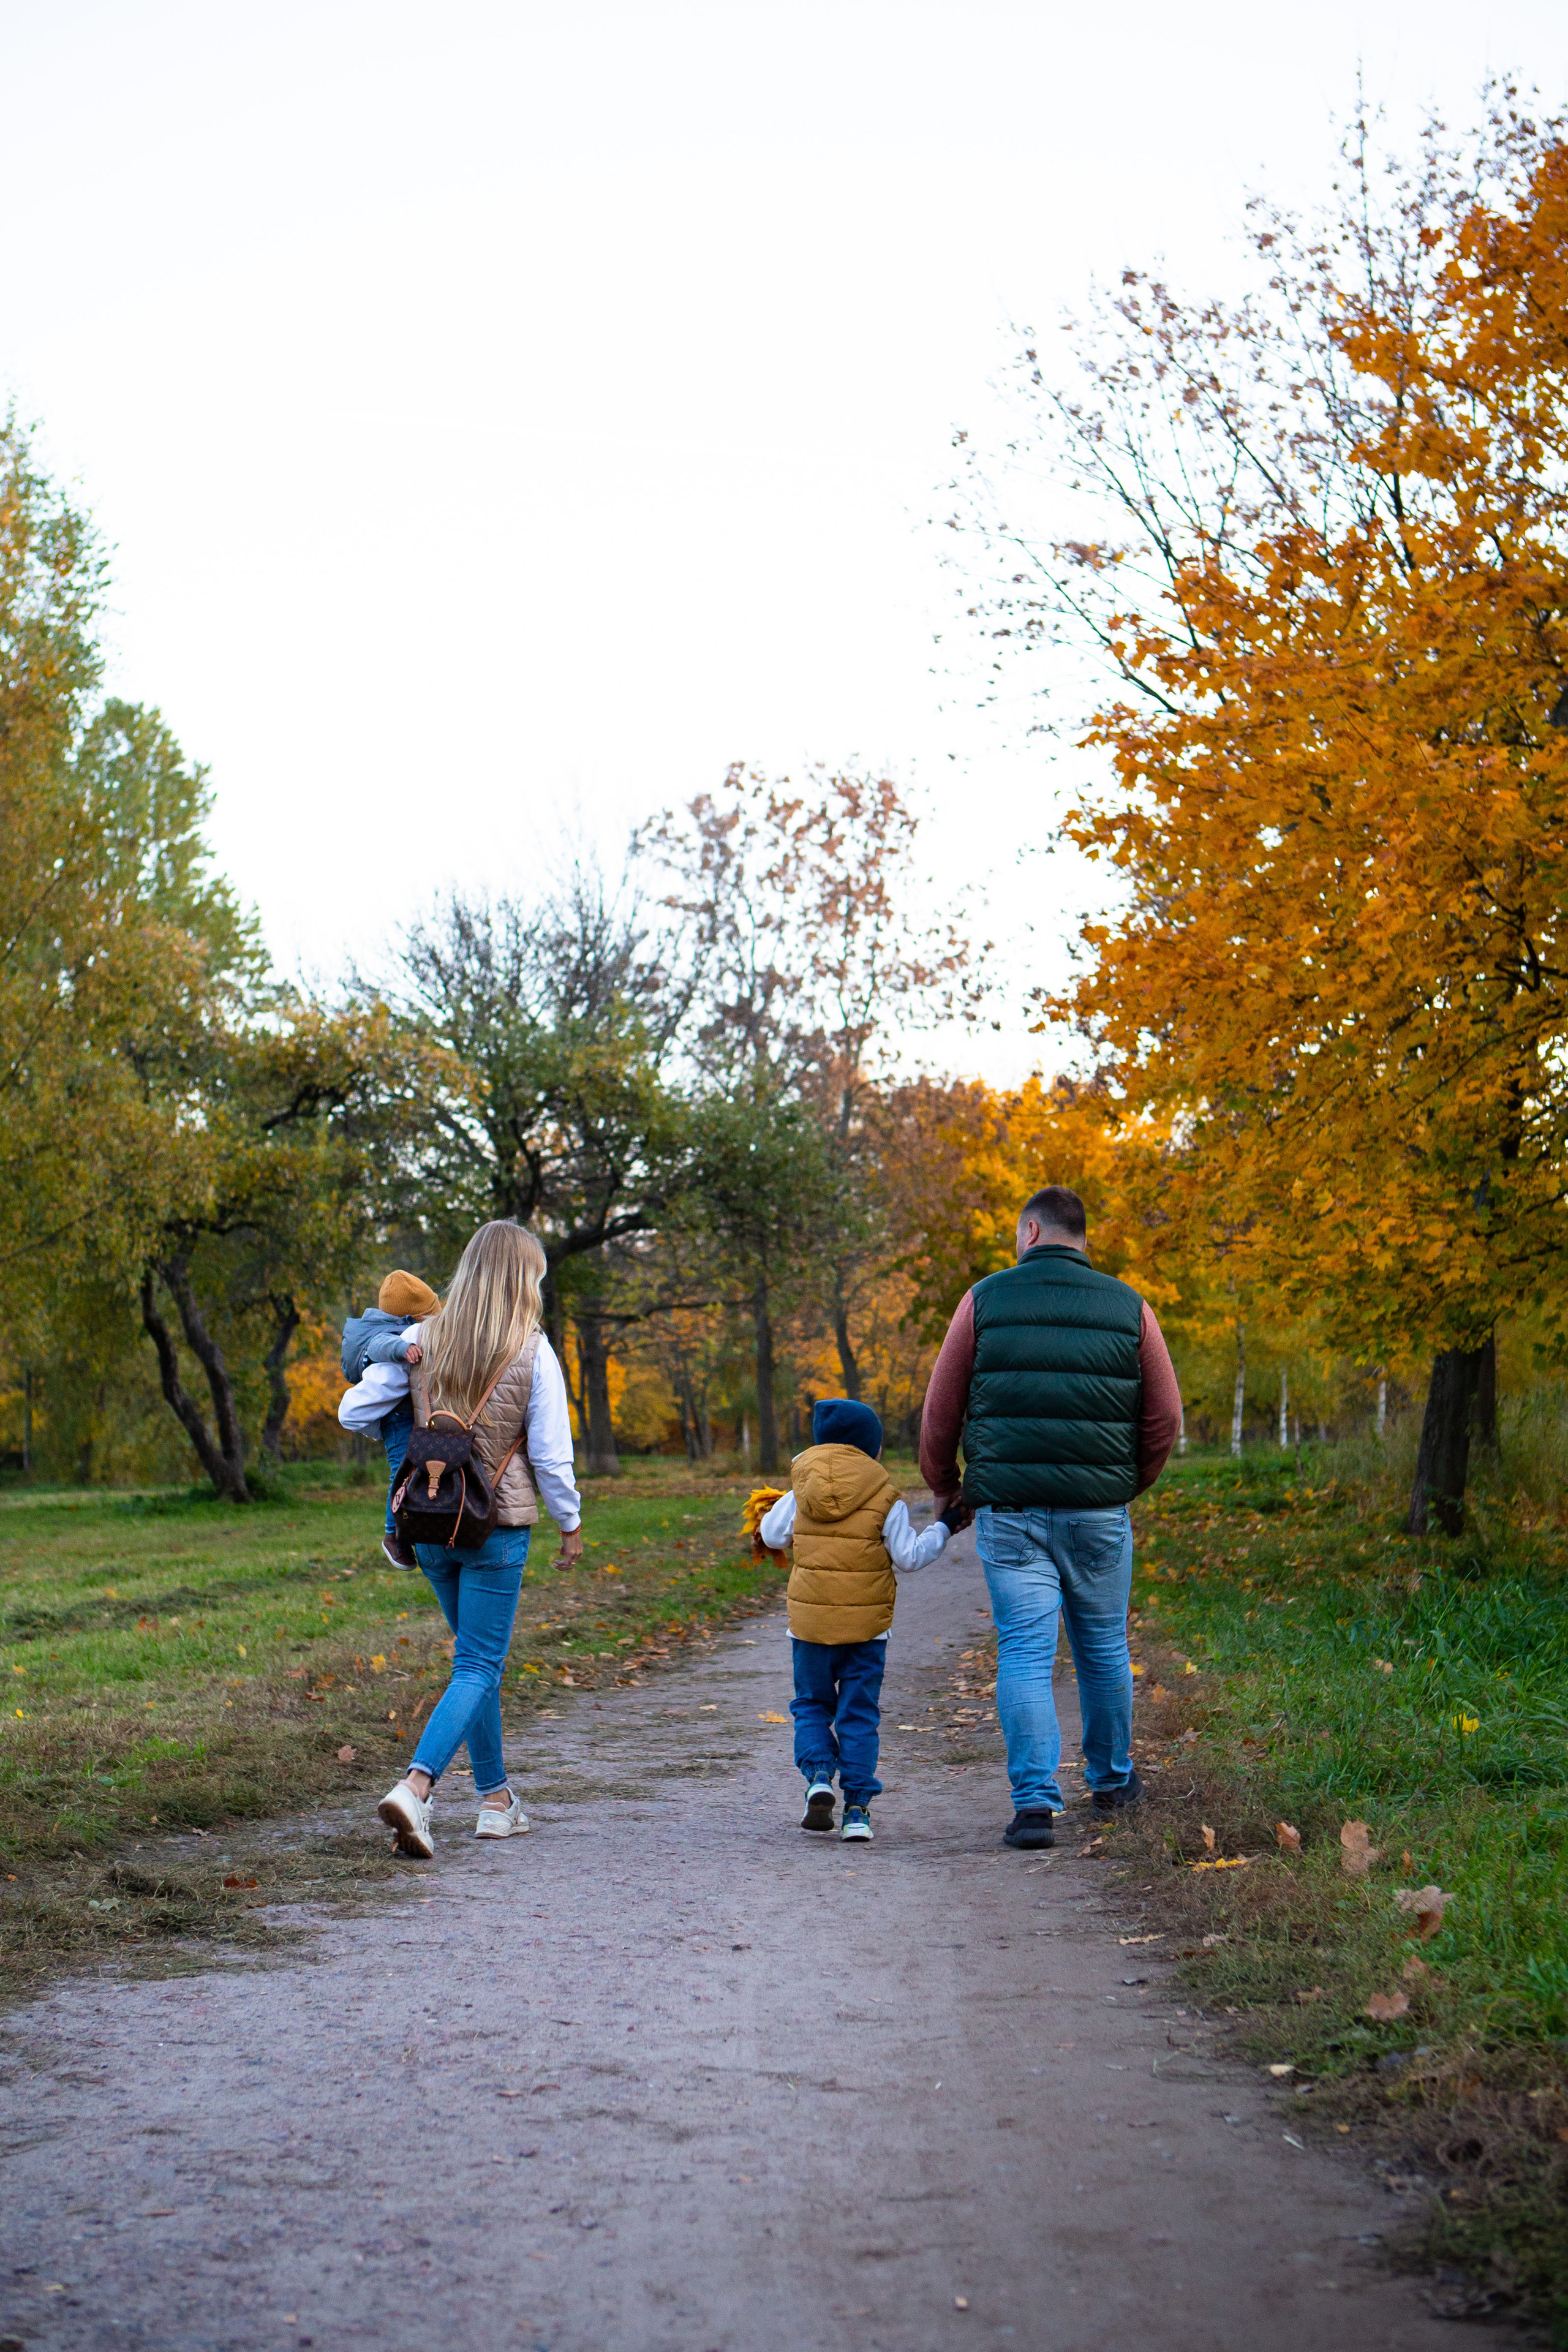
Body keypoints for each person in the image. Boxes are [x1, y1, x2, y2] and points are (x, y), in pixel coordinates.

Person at [920, 1185, 1182, 1852]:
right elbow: (1165, 1417)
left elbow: (941, 1409)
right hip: (1098, 1514)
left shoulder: (983, 1299)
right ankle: (1113, 1783)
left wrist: (946, 1488)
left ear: (1030, 1233)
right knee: (1103, 1649)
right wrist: (1125, 1484)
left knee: (1026, 1654)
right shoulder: (1131, 1307)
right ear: (1081, 1238)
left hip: (1009, 1515)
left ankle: (1034, 1806)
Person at [341, 1221, 583, 1857]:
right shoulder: (534, 1350)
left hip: (430, 1524)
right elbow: (554, 1459)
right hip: (495, 1527)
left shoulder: (417, 1341)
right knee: (478, 1664)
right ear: (522, 1281)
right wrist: (570, 1522)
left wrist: (413, 1436)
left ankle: (497, 1801)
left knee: (477, 1666)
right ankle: (416, 1790)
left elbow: (353, 1411)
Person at [760, 1396, 953, 1844]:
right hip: (867, 1632)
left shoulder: (798, 1491)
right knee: (859, 1714)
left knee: (811, 1706)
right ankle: (858, 1811)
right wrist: (942, 1528)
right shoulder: (885, 1497)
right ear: (873, 1448)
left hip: (809, 1629)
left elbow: (772, 1535)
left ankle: (819, 1777)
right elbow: (909, 1557)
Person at [340, 1270, 442, 1568]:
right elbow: (379, 1346)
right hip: (398, 1420)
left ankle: (411, 1530)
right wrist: (403, 1349)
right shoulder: (388, 1335)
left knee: (415, 1474)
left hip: (404, 1416)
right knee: (401, 1475)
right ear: (409, 1318)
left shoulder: (389, 1325)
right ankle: (393, 1535)